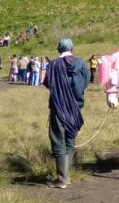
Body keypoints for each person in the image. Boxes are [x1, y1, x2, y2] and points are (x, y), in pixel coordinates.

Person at [45, 38, 90, 189]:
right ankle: (66, 176)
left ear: (59, 49)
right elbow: (86, 83)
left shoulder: (53, 65)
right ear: (72, 48)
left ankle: (62, 179)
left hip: (58, 108)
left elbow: (47, 83)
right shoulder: (82, 64)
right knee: (70, 139)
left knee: (58, 140)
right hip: (76, 109)